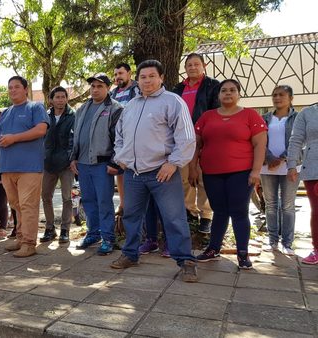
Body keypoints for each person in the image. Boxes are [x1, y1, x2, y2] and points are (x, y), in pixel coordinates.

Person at [111, 59, 198, 282]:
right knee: (131, 216)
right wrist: (121, 158)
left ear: (161, 78)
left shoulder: (172, 102)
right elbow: (119, 135)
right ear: (137, 80)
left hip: (163, 172)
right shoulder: (130, 106)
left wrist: (174, 163)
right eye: (143, 77)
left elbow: (186, 137)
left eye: (152, 76)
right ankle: (130, 254)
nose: (147, 80)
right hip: (133, 173)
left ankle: (186, 261)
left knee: (174, 218)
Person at [191, 79, 267, 269]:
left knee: (239, 211)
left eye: (232, 90)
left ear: (239, 94)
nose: (228, 93)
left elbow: (260, 145)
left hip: (241, 173)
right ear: (218, 95)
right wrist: (193, 167)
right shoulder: (207, 117)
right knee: (219, 211)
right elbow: (196, 144)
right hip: (211, 173)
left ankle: (242, 253)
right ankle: (213, 249)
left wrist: (256, 171)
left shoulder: (250, 115)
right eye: (224, 90)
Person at [0, 75, 49, 257]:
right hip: (7, 168)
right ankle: (21, 237)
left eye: (16, 87)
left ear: (25, 89)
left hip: (29, 167)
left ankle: (30, 243)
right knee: (16, 205)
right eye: (10, 87)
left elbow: (41, 130)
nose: (13, 90)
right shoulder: (6, 113)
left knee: (28, 205)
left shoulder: (35, 107)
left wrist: (14, 138)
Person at [70, 73, 122, 255]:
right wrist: (73, 158)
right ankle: (93, 233)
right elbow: (76, 136)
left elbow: (119, 138)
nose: (95, 89)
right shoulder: (82, 108)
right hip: (83, 164)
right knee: (89, 201)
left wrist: (115, 162)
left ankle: (108, 238)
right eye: (93, 86)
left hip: (102, 164)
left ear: (108, 88)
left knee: (104, 202)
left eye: (100, 86)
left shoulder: (115, 108)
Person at [173, 53, 221, 233]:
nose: (192, 67)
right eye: (189, 65)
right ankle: (189, 211)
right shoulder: (178, 89)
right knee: (185, 177)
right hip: (183, 139)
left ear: (204, 65)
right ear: (185, 68)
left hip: (206, 138)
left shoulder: (213, 86)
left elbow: (216, 111)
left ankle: (206, 215)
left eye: (196, 64)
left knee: (203, 178)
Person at [260, 85, 299, 255]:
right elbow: (259, 140)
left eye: (281, 95)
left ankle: (287, 243)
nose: (277, 98)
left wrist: (282, 157)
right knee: (270, 205)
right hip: (267, 167)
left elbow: (299, 141)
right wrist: (269, 158)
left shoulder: (298, 118)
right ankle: (272, 241)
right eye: (274, 95)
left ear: (290, 98)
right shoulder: (265, 118)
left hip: (290, 167)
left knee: (288, 205)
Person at [40, 86, 75, 244]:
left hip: (66, 164)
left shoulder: (73, 115)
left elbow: (75, 139)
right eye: (57, 97)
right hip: (48, 163)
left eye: (63, 97)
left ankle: (65, 229)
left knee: (67, 198)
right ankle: (49, 228)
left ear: (67, 99)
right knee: (46, 196)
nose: (60, 100)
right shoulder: (45, 116)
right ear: (51, 100)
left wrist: (71, 158)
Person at [287, 104, 318, 265]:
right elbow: (296, 139)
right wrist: (291, 164)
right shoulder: (307, 113)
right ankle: (317, 249)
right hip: (314, 169)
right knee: (317, 211)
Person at [109, 63, 138, 218]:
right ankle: (123, 204)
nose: (117, 77)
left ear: (129, 73)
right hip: (118, 139)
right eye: (115, 74)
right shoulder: (112, 94)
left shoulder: (137, 89)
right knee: (120, 172)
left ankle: (135, 207)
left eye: (120, 73)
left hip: (135, 138)